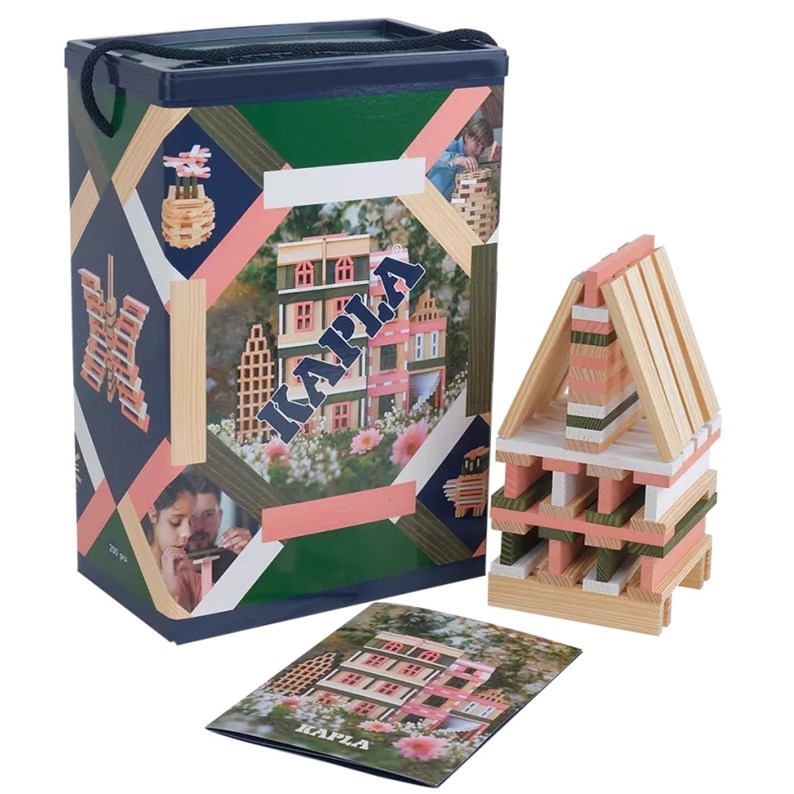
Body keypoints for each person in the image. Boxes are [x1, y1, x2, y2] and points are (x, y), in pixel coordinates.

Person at [142, 474, 202, 612]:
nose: (187, 532)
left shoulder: (187, 578)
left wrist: (246, 552)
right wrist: (171, 594)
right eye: (176, 522)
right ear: (152, 512)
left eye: (190, 521)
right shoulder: (132, 570)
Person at [184, 472, 253, 581]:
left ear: (219, 517)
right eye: (192, 516)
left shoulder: (235, 563)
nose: (199, 526)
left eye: (208, 514)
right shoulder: (160, 571)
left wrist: (253, 556)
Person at [427, 117, 496, 200]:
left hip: (443, 204)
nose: (478, 152)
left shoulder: (472, 160)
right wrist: (457, 160)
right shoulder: (450, 145)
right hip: (425, 199)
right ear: (466, 137)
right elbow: (430, 157)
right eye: (477, 144)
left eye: (483, 148)